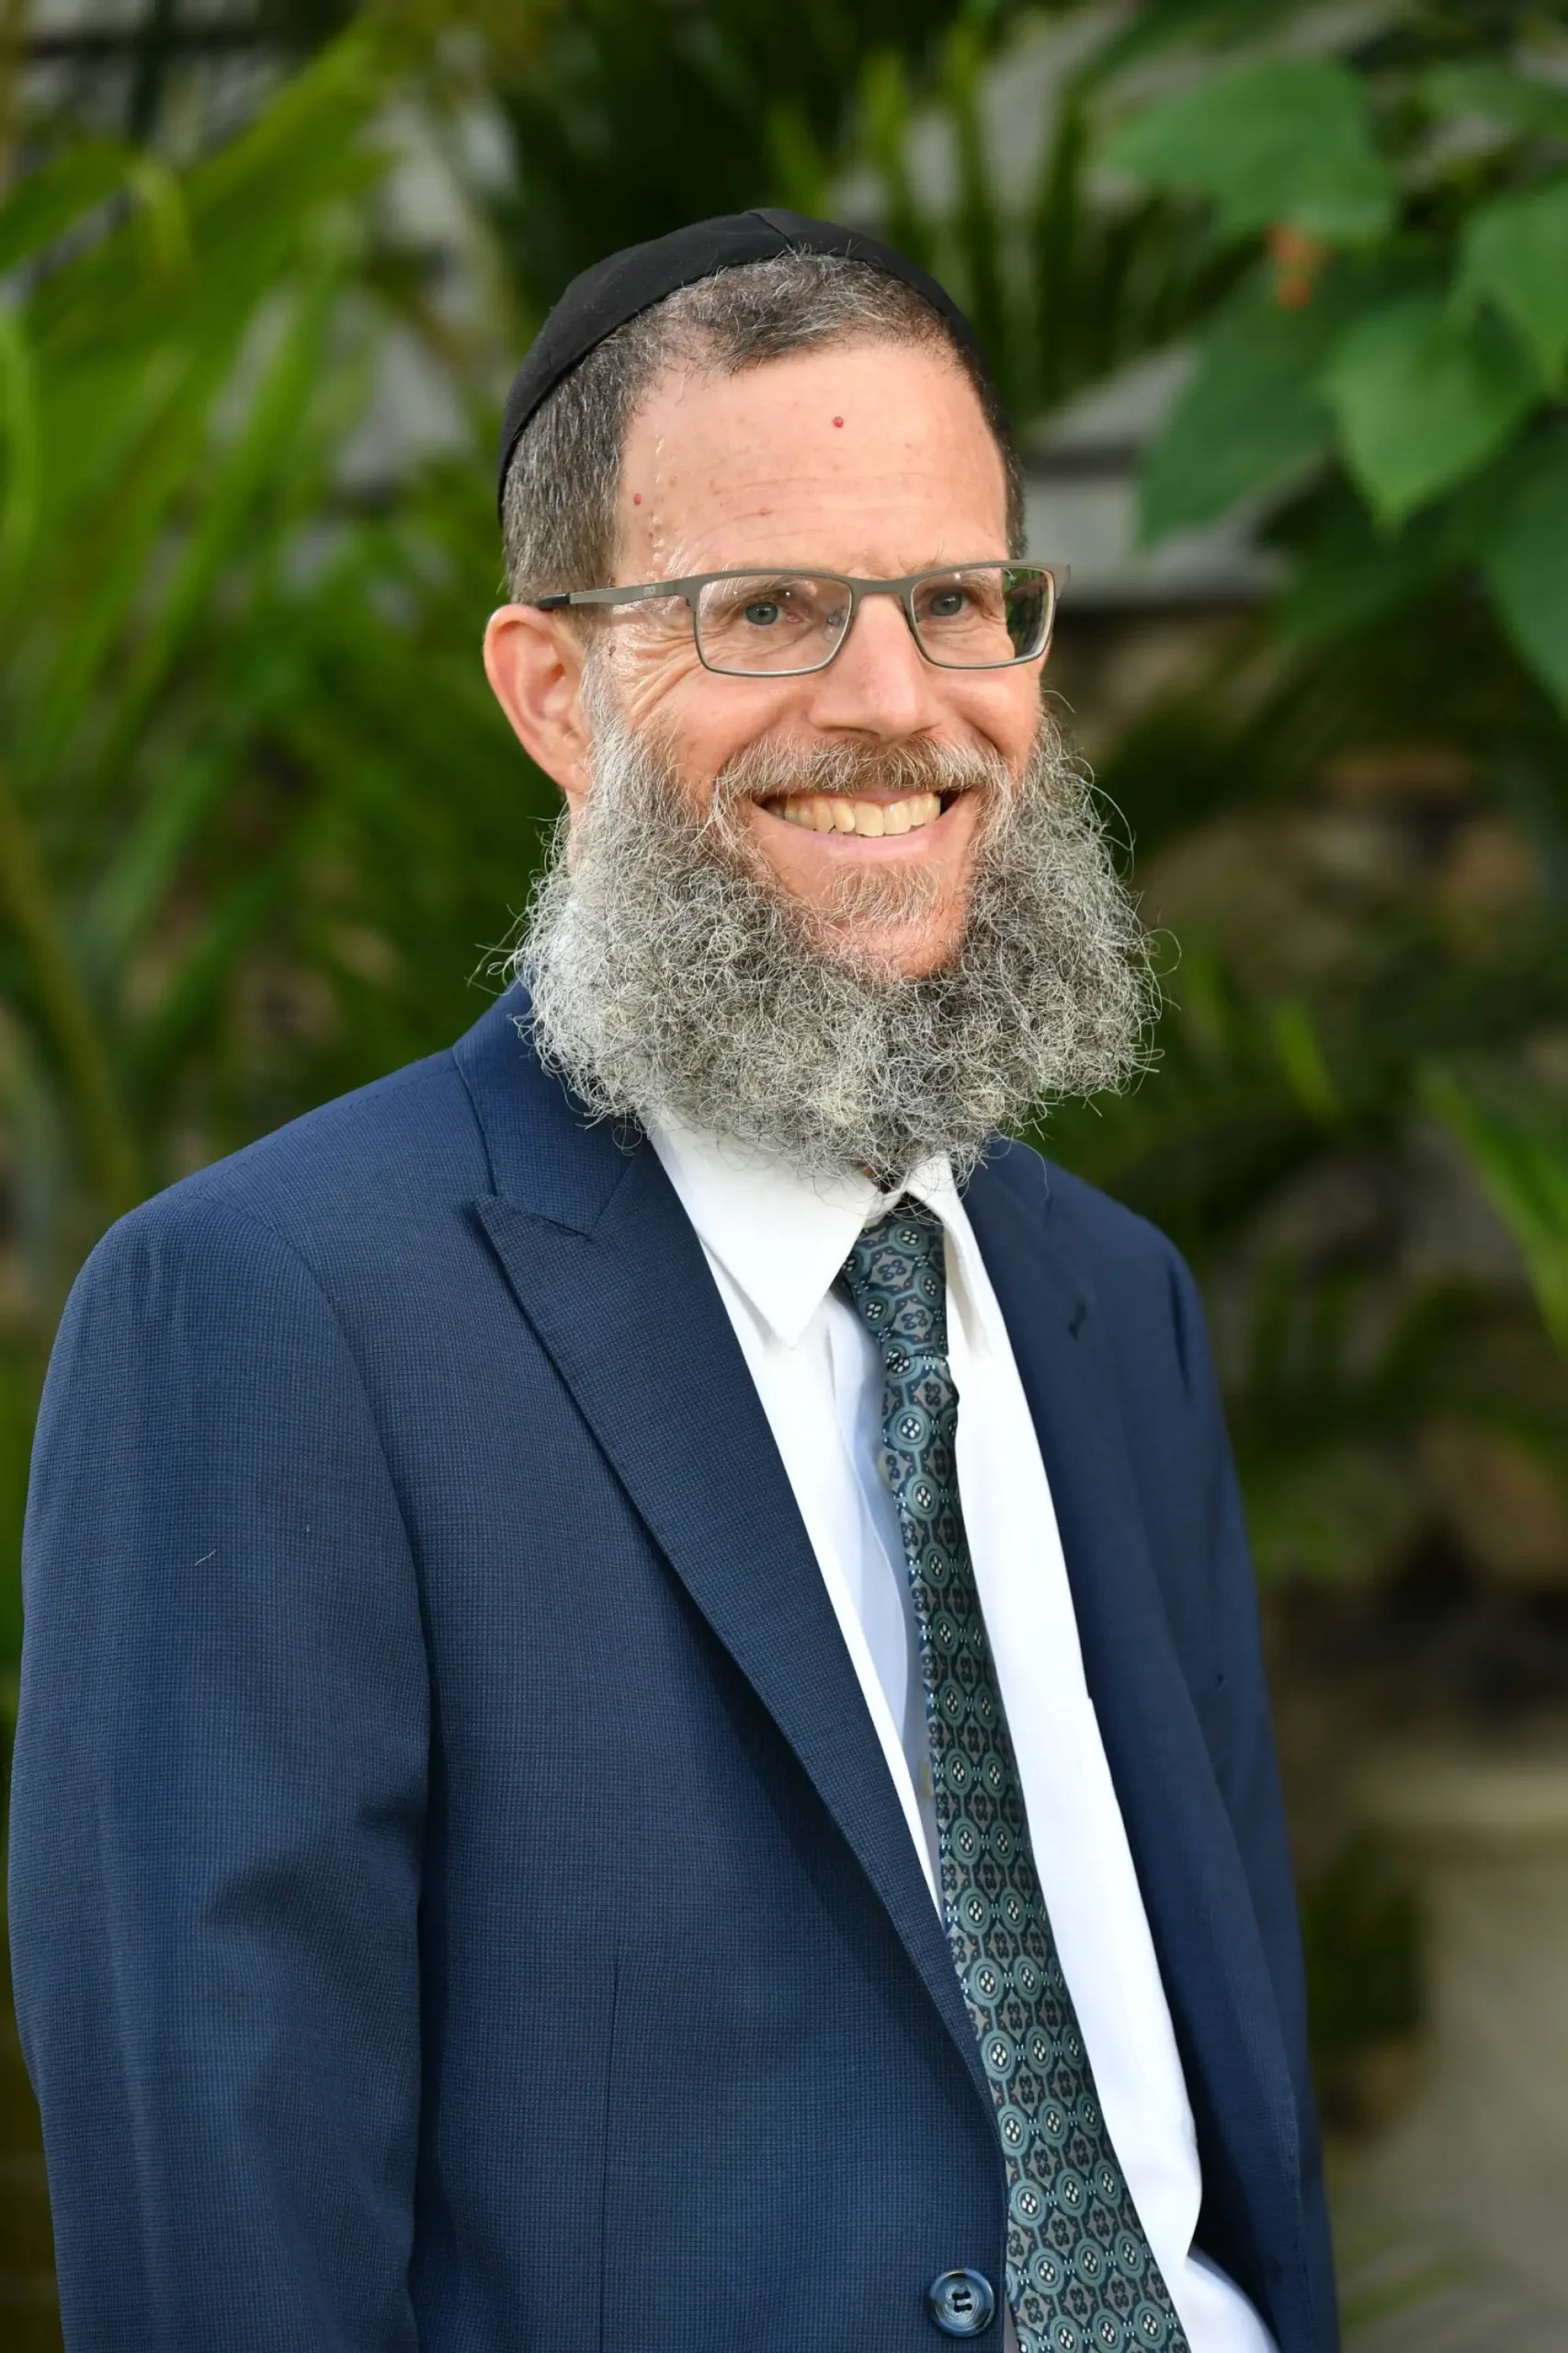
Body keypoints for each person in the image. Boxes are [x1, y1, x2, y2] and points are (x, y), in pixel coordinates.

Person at [9, 211, 1336, 2353]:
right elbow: (222, 2242)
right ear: (557, 691)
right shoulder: (275, 1316)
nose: (895, 703)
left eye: (956, 599)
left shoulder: (1113, 1304)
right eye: (770, 609)